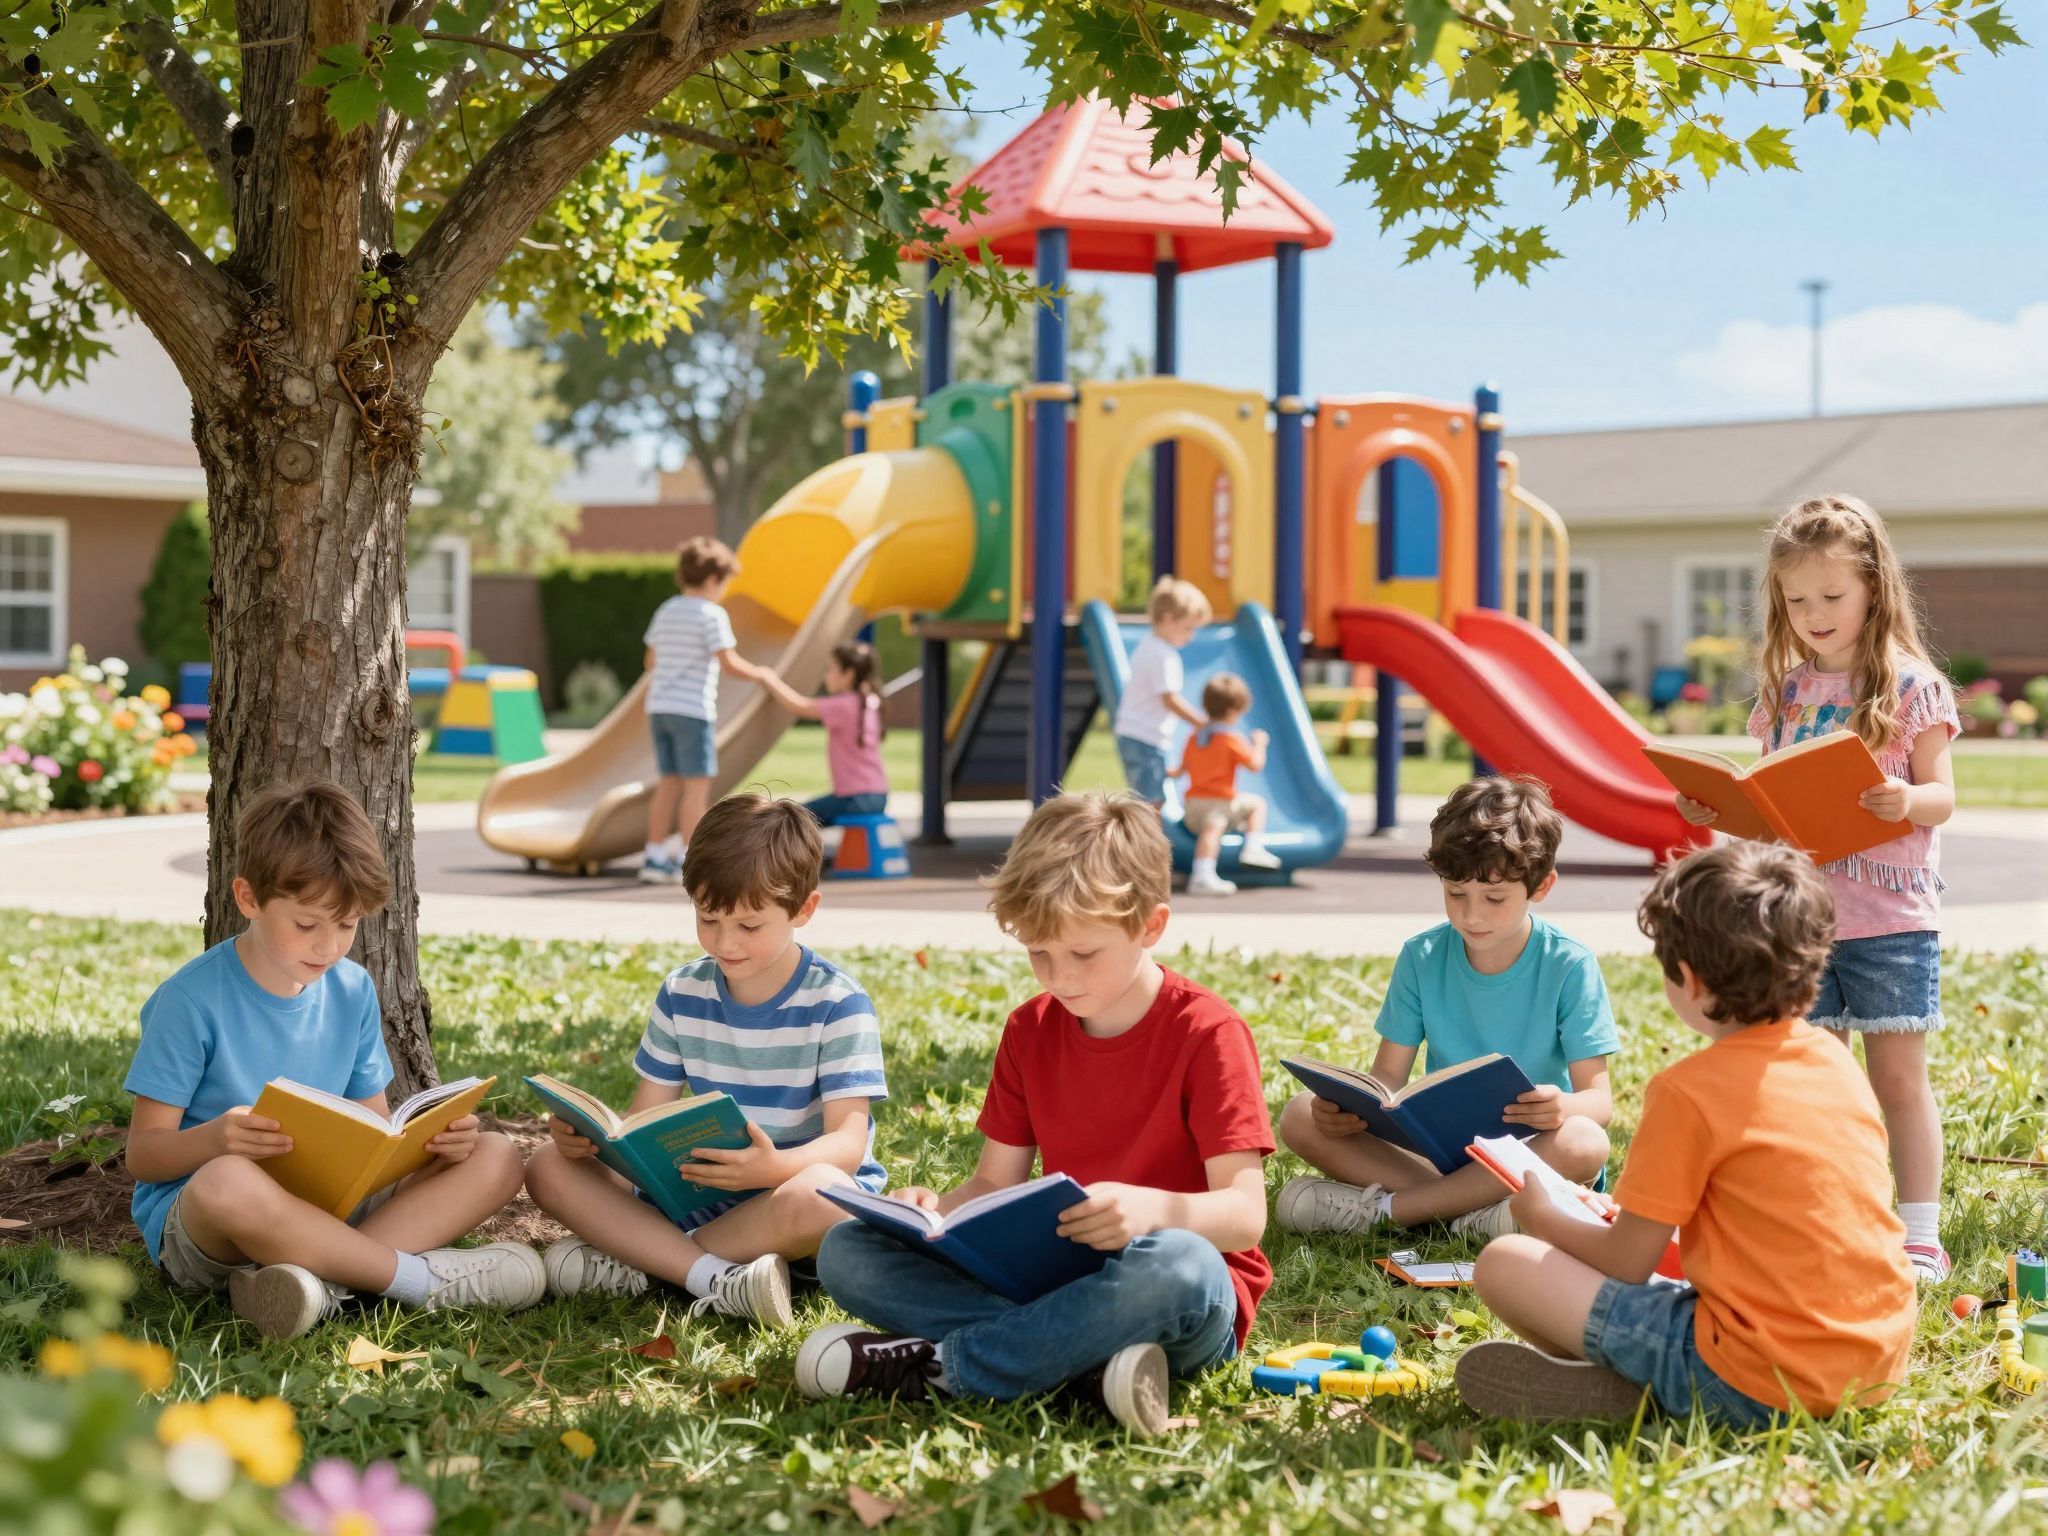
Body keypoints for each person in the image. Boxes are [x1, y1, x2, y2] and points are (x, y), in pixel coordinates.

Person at [795, 793, 1274, 1437]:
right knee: (846, 1250)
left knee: (1178, 1263)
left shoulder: (1208, 1032)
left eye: (1083, 954)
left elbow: (1244, 1217)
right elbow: (995, 1183)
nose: (1059, 977)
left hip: (1175, 1294)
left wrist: (1151, 1211)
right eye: (1038, 954)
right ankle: (1078, 1367)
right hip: (1053, 1280)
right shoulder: (1029, 1029)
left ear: (1151, 926)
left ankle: (946, 1369)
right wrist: (933, 1213)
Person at [1456, 841, 1916, 1425]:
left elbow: (1626, 1262)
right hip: (1872, 1367)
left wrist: (1544, 1216)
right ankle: (1643, 1384)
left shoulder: (1688, 1090)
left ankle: (1657, 1393)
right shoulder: (1834, 1061)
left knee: (1506, 1262)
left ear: (1691, 981)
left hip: (1757, 1378)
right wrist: (1609, 1214)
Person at [123, 781, 540, 1340]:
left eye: (347, 925)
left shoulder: (353, 989)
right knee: (227, 1182)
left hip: (329, 1204)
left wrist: (429, 1146)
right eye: (306, 925)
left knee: (496, 1155)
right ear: (248, 898)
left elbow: (372, 1128)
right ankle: (415, 1282)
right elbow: (144, 1156)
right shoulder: (190, 1001)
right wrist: (216, 1140)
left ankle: (317, 1285)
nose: (328, 946)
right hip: (214, 1222)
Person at [1675, 494, 1959, 1281]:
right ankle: (1834, 1214)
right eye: (1796, 600)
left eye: (1832, 596)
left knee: (1897, 1079)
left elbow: (1943, 794)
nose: (1814, 613)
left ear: (1874, 587)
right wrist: (1720, 809)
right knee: (1819, 1082)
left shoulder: (1910, 687)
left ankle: (1919, 1235)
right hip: (1801, 922)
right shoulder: (1785, 693)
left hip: (1891, 919)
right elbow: (1770, 804)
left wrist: (1908, 801)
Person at [525, 794, 888, 1327]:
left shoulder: (837, 1004)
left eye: (749, 926)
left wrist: (772, 1168)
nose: (725, 942)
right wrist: (594, 1144)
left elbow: (848, 1146)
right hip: (701, 1199)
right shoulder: (683, 991)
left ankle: (653, 1261)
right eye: (708, 918)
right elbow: (645, 1120)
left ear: (803, 910)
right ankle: (709, 1275)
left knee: (825, 1195)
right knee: (547, 1167)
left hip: (787, 1204)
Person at [1274, 777, 1615, 1239]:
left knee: (1584, 1140)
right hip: (1440, 1156)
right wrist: (1347, 1111)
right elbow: (1387, 1082)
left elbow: (1599, 1103)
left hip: (1529, 1150)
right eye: (1456, 893)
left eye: (1495, 898)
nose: (1472, 916)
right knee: (1299, 1113)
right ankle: (1476, 1218)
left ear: (1542, 886)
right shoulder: (1422, 956)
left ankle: (1387, 1212)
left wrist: (1562, 1107)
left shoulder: (1569, 964)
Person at [640, 535, 780, 885]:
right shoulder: (711, 615)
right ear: (714, 579)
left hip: (659, 708)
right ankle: (690, 857)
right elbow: (728, 662)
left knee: (668, 784)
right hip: (692, 710)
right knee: (696, 789)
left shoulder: (667, 610)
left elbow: (650, 661)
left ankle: (654, 855)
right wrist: (761, 674)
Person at [762, 640, 890, 827]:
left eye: (830, 670)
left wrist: (769, 679)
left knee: (791, 819)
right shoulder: (870, 701)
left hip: (855, 799)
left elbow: (800, 706)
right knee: (806, 814)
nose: (826, 676)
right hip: (877, 795)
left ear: (848, 675)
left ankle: (801, 856)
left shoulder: (845, 705)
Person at [1174, 671, 1281, 896]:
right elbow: (1254, 765)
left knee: (1213, 825)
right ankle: (1245, 851)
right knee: (1254, 806)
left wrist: (1167, 773)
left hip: (1192, 807)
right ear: (1234, 711)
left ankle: (1206, 872)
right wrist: (1260, 744)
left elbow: (1181, 769)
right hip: (1219, 805)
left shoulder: (1195, 737)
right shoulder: (1231, 740)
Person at [1112, 577, 1210, 809]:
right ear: (1168, 620)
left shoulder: (1147, 646)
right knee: (1151, 802)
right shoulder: (1163, 655)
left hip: (1136, 734)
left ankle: (1141, 842)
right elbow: (1169, 698)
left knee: (1147, 794)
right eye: (1188, 628)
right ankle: (1144, 845)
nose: (1191, 635)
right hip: (1144, 737)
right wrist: (1199, 722)